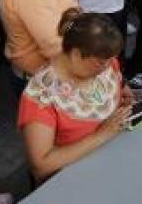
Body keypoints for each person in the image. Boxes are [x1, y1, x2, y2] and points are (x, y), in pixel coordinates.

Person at [18, 9, 132, 182]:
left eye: (111, 59)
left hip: (117, 157)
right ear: (77, 53)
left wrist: (123, 89)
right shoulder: (41, 96)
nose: (108, 66)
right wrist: (101, 135)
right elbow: (40, 166)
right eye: (102, 62)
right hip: (78, 179)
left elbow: (115, 76)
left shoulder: (103, 60)